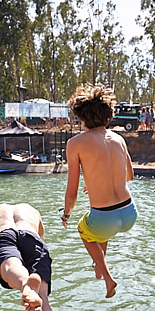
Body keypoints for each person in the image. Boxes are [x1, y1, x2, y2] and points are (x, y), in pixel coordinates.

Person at [63, 84, 137, 299]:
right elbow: (129, 176)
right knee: (99, 227)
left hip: (106, 219)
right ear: (108, 114)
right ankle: (100, 261)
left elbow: (72, 193)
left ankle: (107, 277)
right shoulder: (119, 139)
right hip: (130, 213)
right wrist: (100, 181)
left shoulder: (75, 143)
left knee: (83, 228)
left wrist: (66, 214)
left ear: (82, 118)